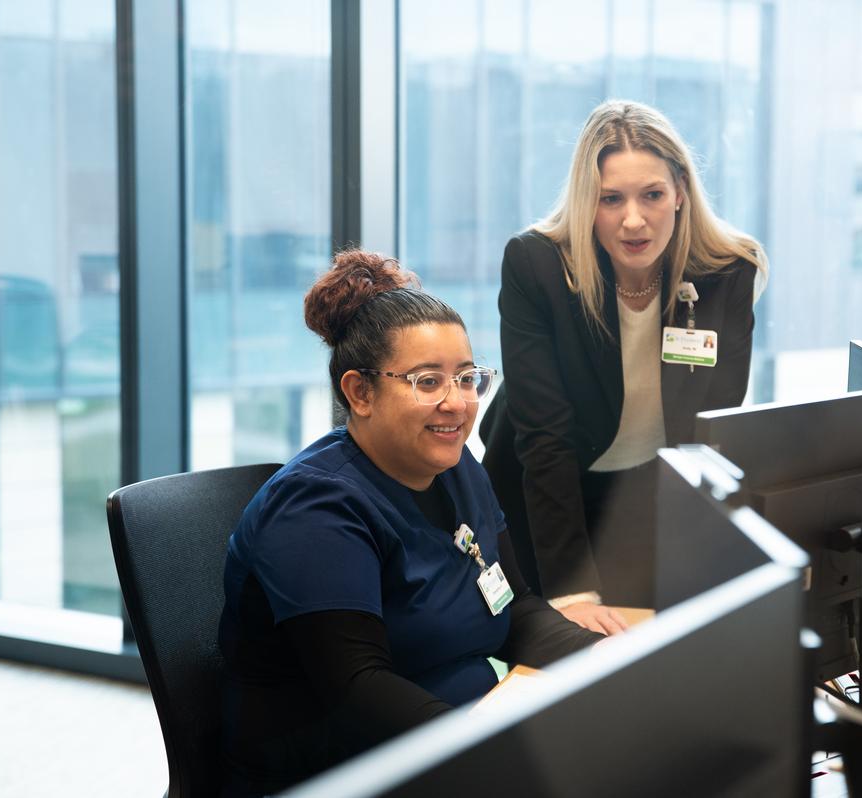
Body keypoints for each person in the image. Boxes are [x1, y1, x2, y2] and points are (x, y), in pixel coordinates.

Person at [218, 250, 600, 797]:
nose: (457, 403)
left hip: (454, 730)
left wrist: (607, 660)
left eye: (467, 378)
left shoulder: (455, 465)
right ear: (359, 392)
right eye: (427, 382)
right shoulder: (315, 509)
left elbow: (514, 609)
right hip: (340, 767)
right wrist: (492, 750)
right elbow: (359, 691)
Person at [480, 100, 768, 632]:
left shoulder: (727, 272)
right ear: (588, 202)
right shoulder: (538, 267)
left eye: (652, 195)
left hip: (644, 497)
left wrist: (705, 563)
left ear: (680, 191)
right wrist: (571, 590)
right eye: (611, 199)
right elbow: (545, 439)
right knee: (563, 651)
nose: (633, 219)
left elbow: (711, 431)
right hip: (542, 496)